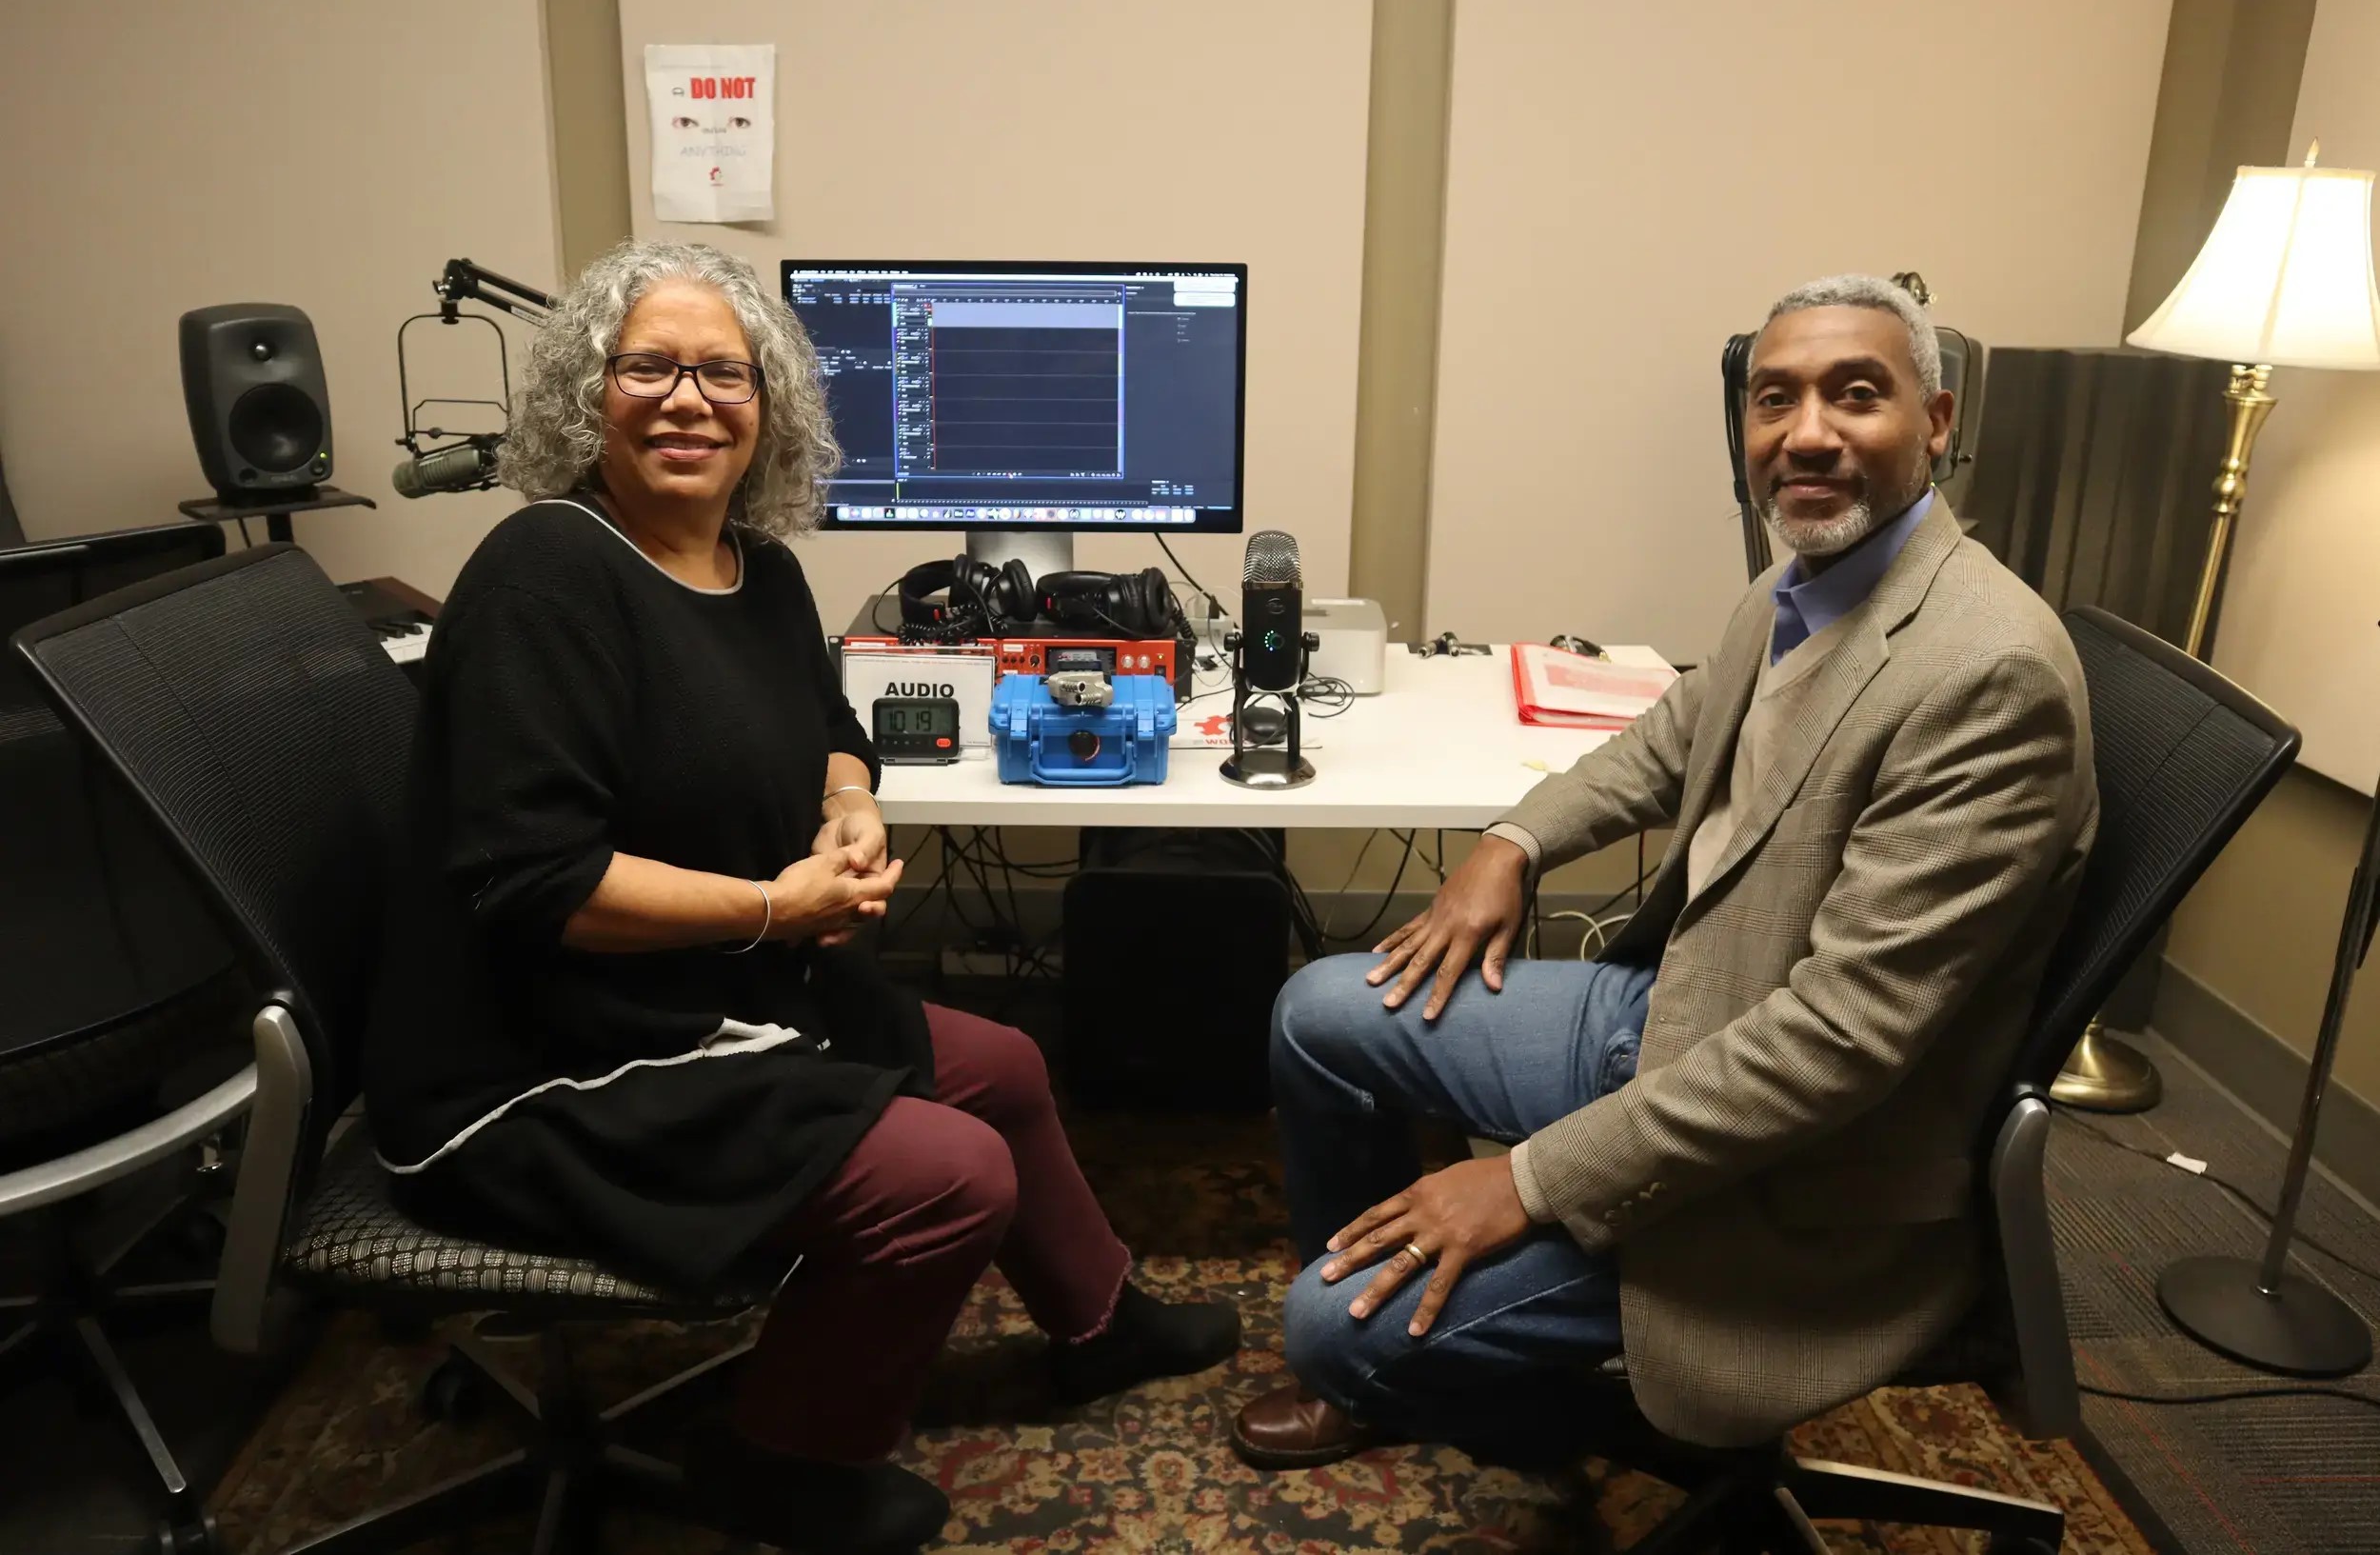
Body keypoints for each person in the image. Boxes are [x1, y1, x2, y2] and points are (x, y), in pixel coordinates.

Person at [365, 240, 1240, 1552]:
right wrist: (775, 910)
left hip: (689, 999)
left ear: (766, 404)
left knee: (998, 1060)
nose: (686, 400)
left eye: (721, 371)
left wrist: (851, 802)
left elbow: (833, 719)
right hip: (534, 1068)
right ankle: (776, 1455)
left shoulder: (754, 567)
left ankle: (1098, 1320)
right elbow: (536, 878)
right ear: (582, 397)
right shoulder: (547, 578)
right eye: (647, 367)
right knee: (950, 1175)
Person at [1231, 274, 2098, 1470]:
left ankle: (1402, 1361)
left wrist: (1524, 1182)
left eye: (1856, 395)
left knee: (1324, 1331)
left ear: (1936, 423)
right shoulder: (1802, 584)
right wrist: (1512, 843)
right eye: (1773, 399)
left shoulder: (1983, 672)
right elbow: (1665, 743)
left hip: (1804, 1170)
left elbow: (1836, 1043)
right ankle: (1397, 1296)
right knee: (1318, 1012)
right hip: (1685, 1013)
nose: (1806, 432)